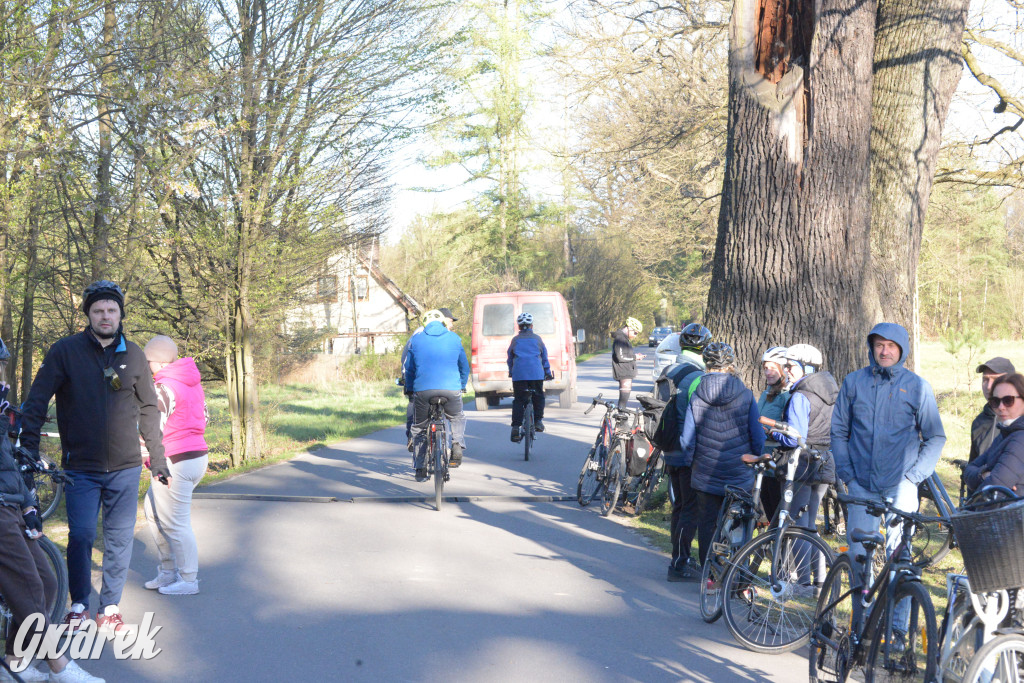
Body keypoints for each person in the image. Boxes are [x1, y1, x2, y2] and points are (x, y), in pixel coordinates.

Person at [18, 280, 170, 634]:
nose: (105, 316)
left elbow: (149, 408)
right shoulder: (65, 351)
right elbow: (37, 400)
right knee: (83, 535)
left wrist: (158, 458)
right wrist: (29, 450)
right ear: (88, 314)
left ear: (120, 314)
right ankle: (79, 605)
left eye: (111, 310)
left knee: (119, 539)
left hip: (125, 467)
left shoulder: (133, 355)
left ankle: (110, 607)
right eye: (98, 310)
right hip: (80, 468)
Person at [831, 322, 945, 640]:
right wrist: (848, 475)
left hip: (901, 487)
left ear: (902, 350)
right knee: (858, 557)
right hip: (861, 486)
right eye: (879, 345)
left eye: (891, 346)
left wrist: (913, 478)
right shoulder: (854, 382)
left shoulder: (918, 387)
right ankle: (861, 626)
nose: (885, 351)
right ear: (872, 348)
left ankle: (896, 631)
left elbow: (935, 436)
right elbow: (838, 431)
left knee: (901, 559)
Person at [0, 339, 105, 683]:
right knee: (29, 587)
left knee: (46, 583)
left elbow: (7, 466)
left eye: (1, 367)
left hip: (10, 505)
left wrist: (29, 503)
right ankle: (60, 666)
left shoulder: (0, 409)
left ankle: (14, 663)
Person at [679, 341, 765, 566]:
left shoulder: (698, 394)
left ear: (706, 365)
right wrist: (755, 459)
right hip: (739, 472)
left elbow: (687, 439)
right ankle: (736, 571)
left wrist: (691, 463)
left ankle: (709, 572)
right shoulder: (745, 394)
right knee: (739, 522)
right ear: (730, 365)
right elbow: (757, 437)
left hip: (705, 472)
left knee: (707, 524)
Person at [141, 335, 209, 596]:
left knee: (176, 523)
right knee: (153, 511)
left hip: (175, 462)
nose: (146, 366)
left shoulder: (164, 388)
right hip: (196, 456)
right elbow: (204, 417)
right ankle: (169, 571)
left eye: (148, 361)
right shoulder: (191, 383)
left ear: (159, 362)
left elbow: (152, 429)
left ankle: (189, 579)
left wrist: (142, 452)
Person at [661, 323, 711, 582]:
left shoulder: (669, 371)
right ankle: (680, 564)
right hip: (688, 451)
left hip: (669, 447)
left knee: (679, 506)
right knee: (690, 509)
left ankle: (678, 558)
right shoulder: (698, 377)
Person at [404, 309, 470, 480]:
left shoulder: (416, 340)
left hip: (423, 390)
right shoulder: (454, 338)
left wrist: (409, 388)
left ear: (424, 324)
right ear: (442, 322)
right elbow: (464, 366)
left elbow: (409, 369)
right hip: (451, 389)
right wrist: (462, 386)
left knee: (419, 427)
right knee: (457, 417)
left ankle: (420, 467)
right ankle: (457, 444)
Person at [964, 372, 1024, 494]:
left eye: (1008, 400)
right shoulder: (1005, 433)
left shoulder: (1020, 438)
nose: (1001, 407)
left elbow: (994, 487)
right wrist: (984, 475)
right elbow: (968, 471)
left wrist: (984, 478)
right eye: (995, 401)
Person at [506, 313, 552, 442]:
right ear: (532, 326)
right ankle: (538, 421)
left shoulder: (515, 340)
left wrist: (511, 371)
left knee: (519, 400)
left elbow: (510, 358)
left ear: (519, 326)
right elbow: (544, 358)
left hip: (519, 375)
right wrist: (547, 372)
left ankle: (516, 427)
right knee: (539, 396)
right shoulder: (537, 339)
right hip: (536, 374)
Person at [757, 346, 790, 521]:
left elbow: (789, 427)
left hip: (778, 460)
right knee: (769, 511)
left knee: (778, 511)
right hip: (763, 460)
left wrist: (771, 431)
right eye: (765, 368)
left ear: (783, 369)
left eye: (772, 368)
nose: (768, 373)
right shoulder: (766, 393)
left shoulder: (788, 395)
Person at [969, 357, 1015, 464]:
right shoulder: (979, 422)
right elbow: (973, 464)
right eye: (985, 380)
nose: (989, 386)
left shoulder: (1020, 420)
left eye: (995, 380)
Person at [611, 317, 646, 409]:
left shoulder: (624, 339)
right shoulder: (620, 339)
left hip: (626, 372)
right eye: (635, 333)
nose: (635, 335)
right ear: (628, 328)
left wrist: (635, 356)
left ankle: (622, 415)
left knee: (624, 403)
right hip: (623, 372)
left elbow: (625, 354)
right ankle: (621, 416)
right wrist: (635, 357)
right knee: (622, 403)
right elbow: (620, 357)